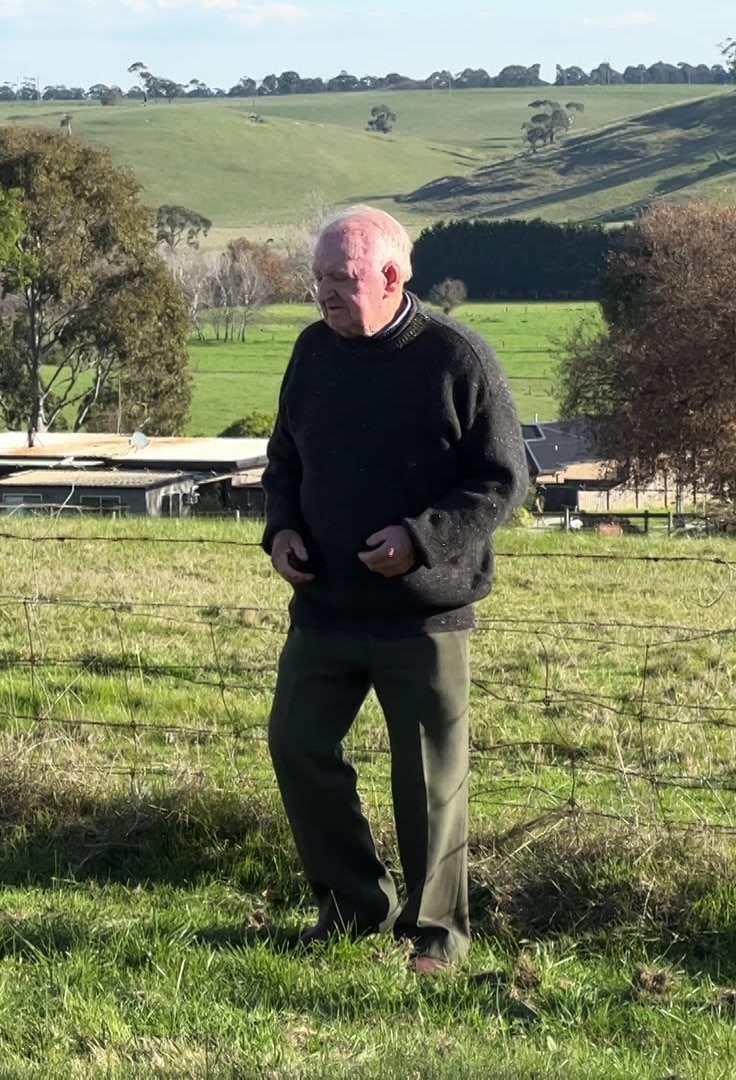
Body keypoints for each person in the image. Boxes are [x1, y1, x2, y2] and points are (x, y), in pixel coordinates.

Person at [260, 205, 528, 975]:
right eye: (317, 280)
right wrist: (279, 531)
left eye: (341, 280)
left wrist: (419, 539)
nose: (325, 295)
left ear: (391, 276)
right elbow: (284, 459)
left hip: (424, 616)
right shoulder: (312, 352)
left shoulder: (456, 357)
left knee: (428, 784)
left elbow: (503, 480)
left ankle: (438, 937)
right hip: (325, 608)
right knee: (297, 745)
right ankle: (352, 905)